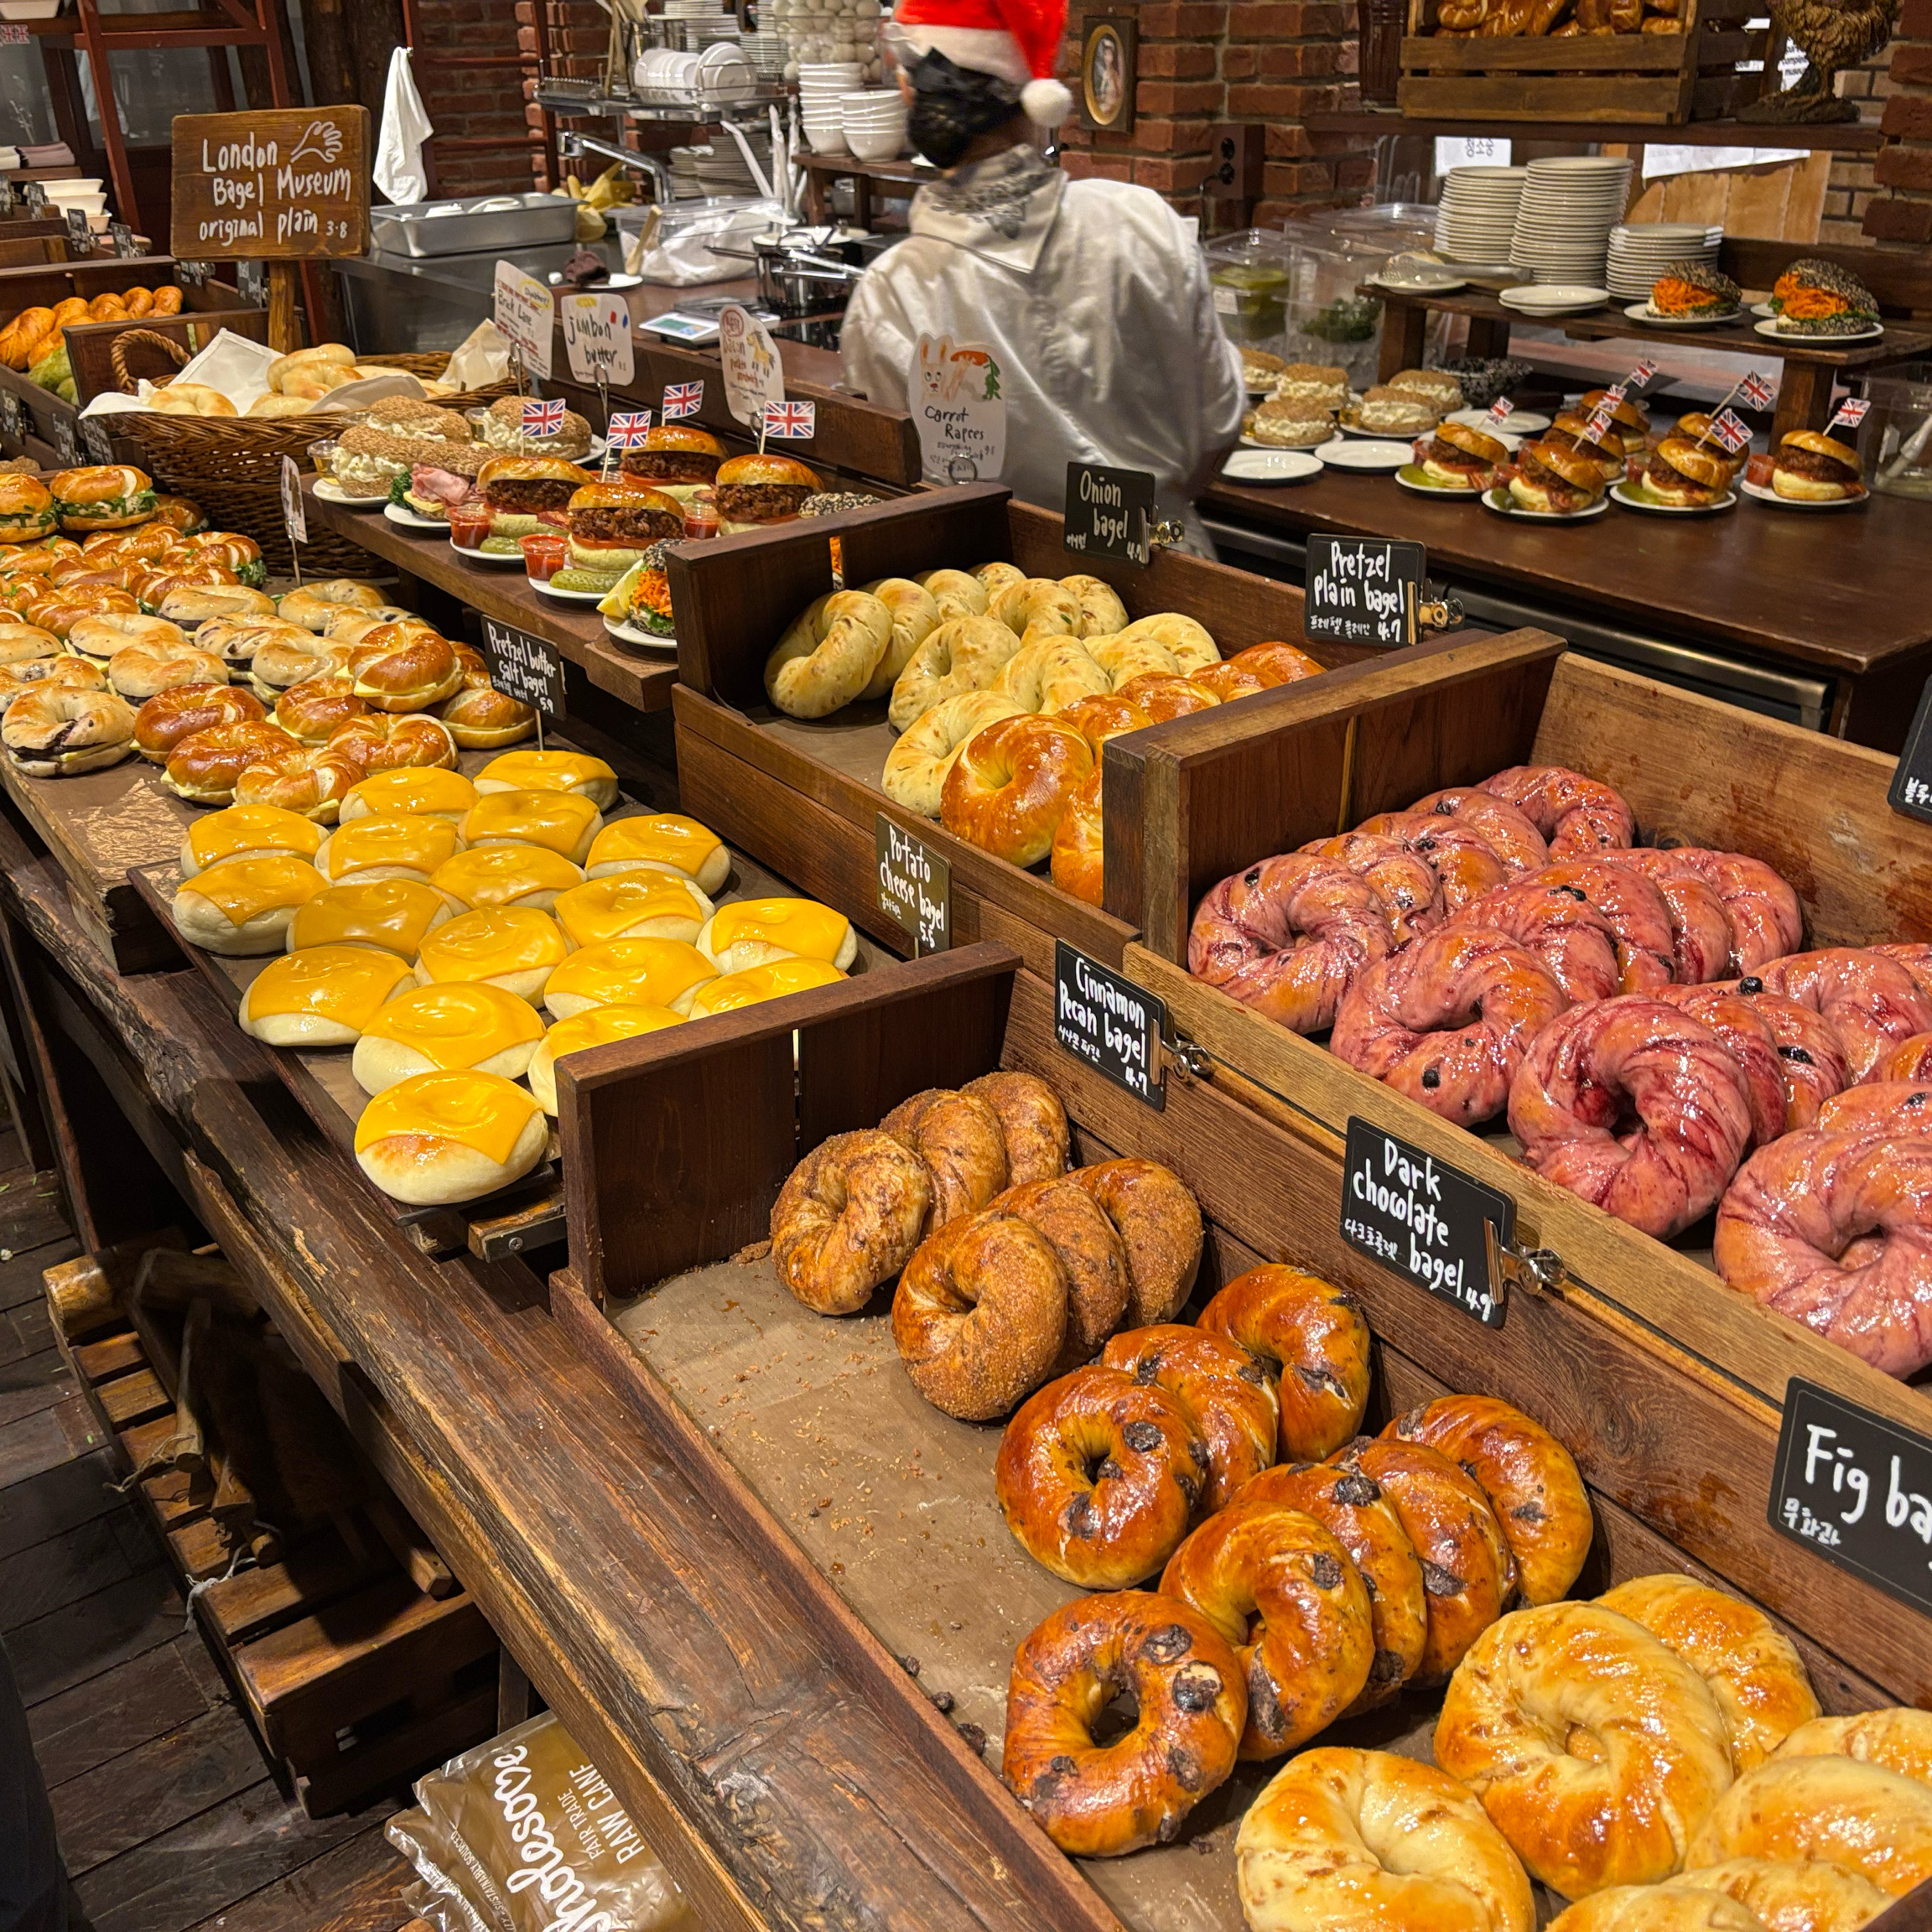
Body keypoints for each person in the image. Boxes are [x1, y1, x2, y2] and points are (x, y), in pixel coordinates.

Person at [839, 0, 1244, 551]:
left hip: (997, 609)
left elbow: (897, 483)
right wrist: (1143, 516)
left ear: (910, 91)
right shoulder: (1143, 222)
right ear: (1034, 99)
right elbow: (1220, 426)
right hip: (1173, 583)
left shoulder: (890, 293)